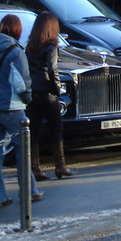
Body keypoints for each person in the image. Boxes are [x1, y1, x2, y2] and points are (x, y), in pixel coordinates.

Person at [0, 13, 42, 208]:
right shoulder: (15, 51)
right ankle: (29, 190)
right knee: (23, 150)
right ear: (17, 30)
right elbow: (22, 82)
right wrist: (28, 99)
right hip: (11, 107)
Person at [26, 11, 74, 180]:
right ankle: (60, 166)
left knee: (34, 129)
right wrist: (57, 88)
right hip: (46, 90)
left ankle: (35, 168)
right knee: (56, 126)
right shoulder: (51, 46)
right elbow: (53, 69)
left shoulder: (31, 45)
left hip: (33, 90)